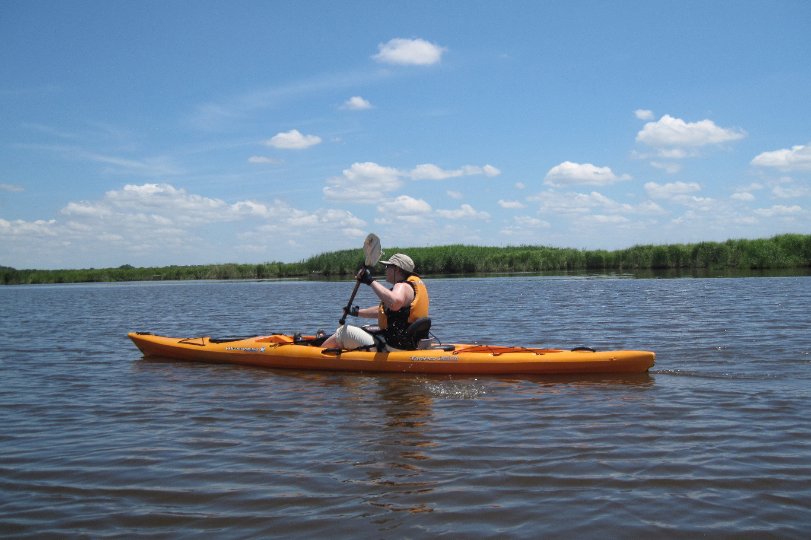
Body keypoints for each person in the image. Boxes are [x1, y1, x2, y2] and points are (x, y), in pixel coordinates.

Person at [322, 253, 429, 351]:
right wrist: (356, 312)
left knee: (343, 332)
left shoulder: (402, 286)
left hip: (394, 346)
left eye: (388, 267)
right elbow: (384, 310)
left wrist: (370, 281)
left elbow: (394, 303)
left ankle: (318, 354)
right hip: (407, 344)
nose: (385, 270)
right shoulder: (410, 288)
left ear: (396, 269)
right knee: (366, 328)